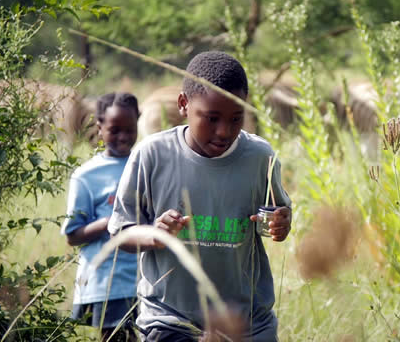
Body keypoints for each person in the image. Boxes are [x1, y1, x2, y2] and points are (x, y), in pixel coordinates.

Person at [108, 51, 292, 341]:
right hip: (170, 321)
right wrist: (155, 234)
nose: (224, 131)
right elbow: (121, 234)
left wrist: (281, 225)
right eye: (212, 118)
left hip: (248, 324)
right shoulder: (152, 155)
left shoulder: (260, 157)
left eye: (236, 118)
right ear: (183, 104)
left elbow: (278, 217)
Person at [61, 92, 141, 342]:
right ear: (99, 127)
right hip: (108, 284)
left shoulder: (145, 165)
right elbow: (73, 236)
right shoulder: (86, 176)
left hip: (145, 281)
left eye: (130, 129)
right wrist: (110, 223)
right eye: (115, 130)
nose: (123, 137)